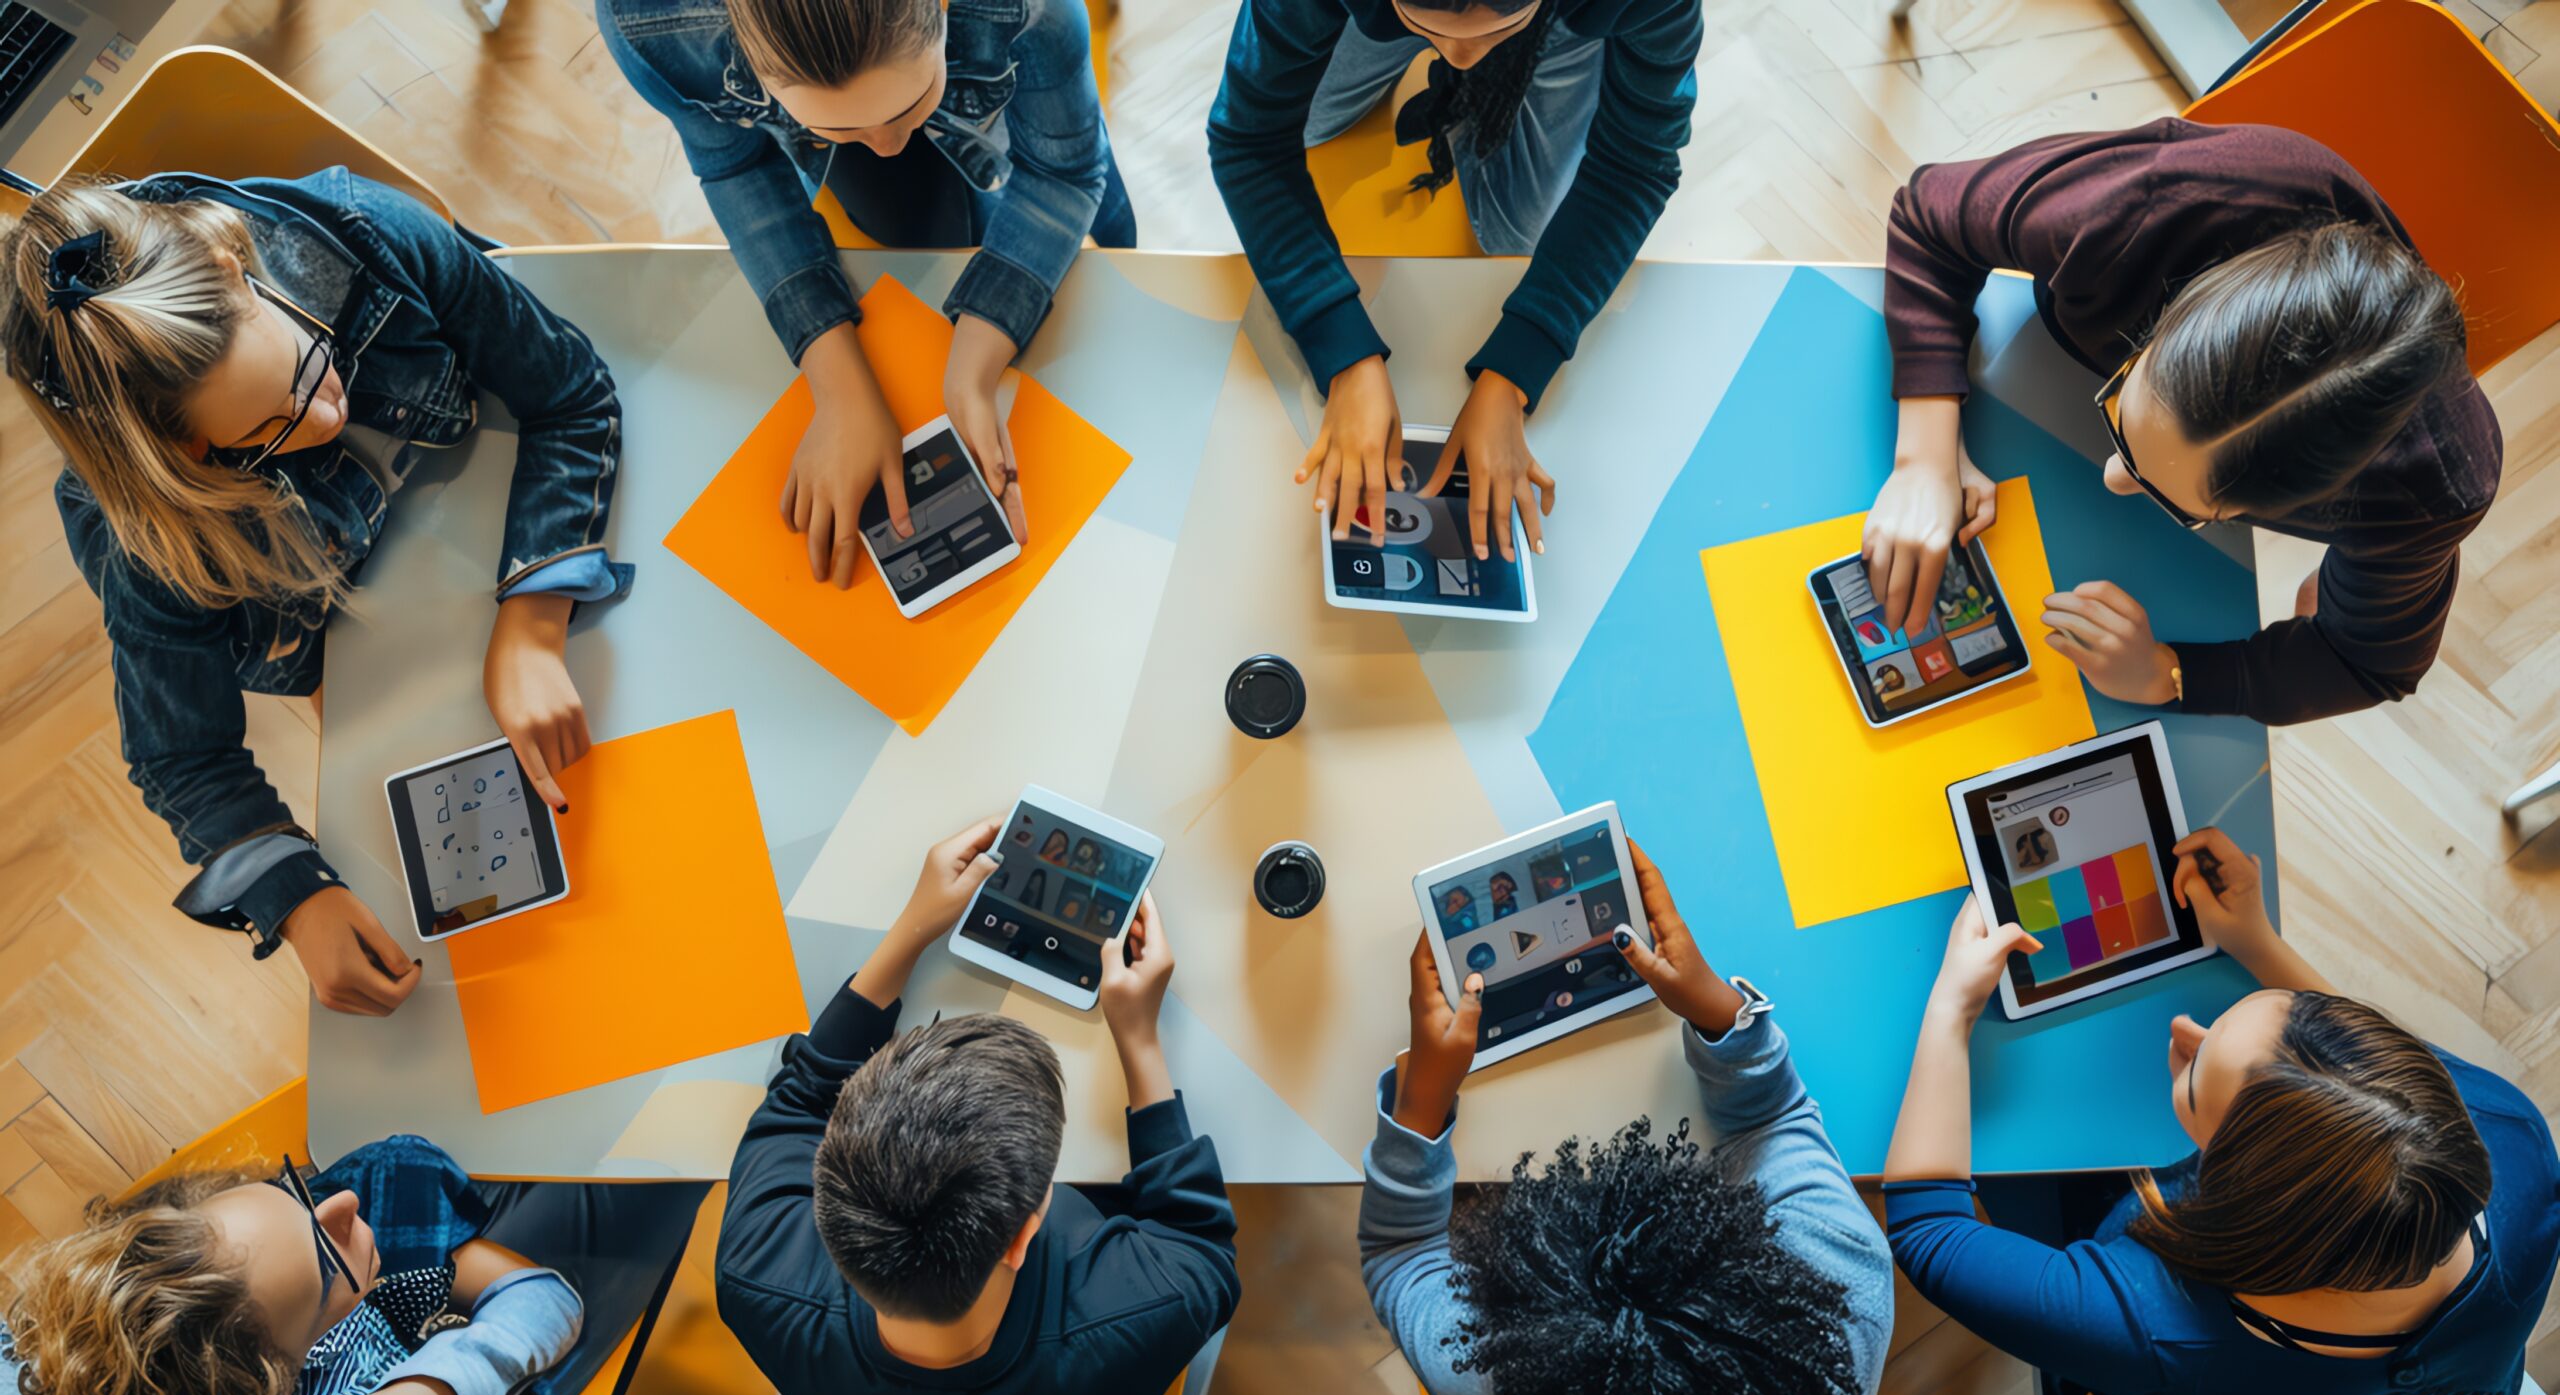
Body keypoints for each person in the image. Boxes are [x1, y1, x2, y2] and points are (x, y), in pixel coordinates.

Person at [0, 172, 630, 1016]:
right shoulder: (145, 531)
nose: (322, 417)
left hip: (503, 526)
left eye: (304, 368)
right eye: (263, 433)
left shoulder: (368, 232)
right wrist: (297, 898)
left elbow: (571, 394)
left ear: (233, 267)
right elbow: (181, 754)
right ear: (189, 452)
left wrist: (532, 624)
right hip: (340, 642)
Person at [1881, 829, 2560, 1395]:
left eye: (2197, 1077)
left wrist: (1952, 1005)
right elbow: (2356, 1079)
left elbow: (1928, 1233)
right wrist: (2256, 940)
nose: (2185, 1031)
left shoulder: (2156, 1325)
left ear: (2238, 1190)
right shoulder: (2510, 1134)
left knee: (2028, 1180)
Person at [1862, 119, 2495, 726]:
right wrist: (1924, 458)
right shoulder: (2135, 209)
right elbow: (1927, 215)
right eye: (2123, 402)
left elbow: (2364, 665)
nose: (2111, 477)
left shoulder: (2427, 495)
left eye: (2183, 503)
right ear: (2168, 317)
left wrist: (2167, 674)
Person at [716, 820, 1240, 1395]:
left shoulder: (755, 1271)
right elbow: (1201, 1243)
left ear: (826, 1200)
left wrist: (912, 929)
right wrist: (1141, 1039)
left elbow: (797, 1103)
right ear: (1022, 1239)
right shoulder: (1136, 1315)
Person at [1363, 843, 1892, 1395]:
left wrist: (1420, 1100)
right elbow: (1775, 1121)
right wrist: (1721, 1012)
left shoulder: (1496, 1378)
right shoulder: (1844, 1305)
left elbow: (1398, 1253)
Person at [599, 0, 1131, 584]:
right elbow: (735, 168)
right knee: (909, 214)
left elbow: (1067, 170)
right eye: (837, 130)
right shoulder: (648, 23)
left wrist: (973, 370)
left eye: (909, 105)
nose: (886, 147)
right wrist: (838, 388)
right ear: (748, 56)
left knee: (1112, 221)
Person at [1207, 0, 1703, 562]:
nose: (1462, 58)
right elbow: (1247, 138)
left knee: (1520, 230)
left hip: (1564, 20)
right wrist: (1342, 350)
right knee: (1314, 120)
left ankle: (1524, 37)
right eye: (1431, 28)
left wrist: (1517, 369)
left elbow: (1638, 162)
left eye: (1496, 28)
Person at [0, 1136, 704, 1395]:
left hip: (428, 1290)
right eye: (322, 1259)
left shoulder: (31, 1356)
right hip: (486, 1343)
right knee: (665, 1157)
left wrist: (446, 1260)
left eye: (292, 1193)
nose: (343, 1205)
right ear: (286, 1372)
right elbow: (547, 1305)